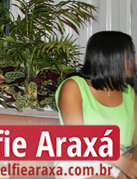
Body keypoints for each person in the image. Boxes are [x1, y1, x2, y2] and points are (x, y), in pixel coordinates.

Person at [55, 31, 137, 179]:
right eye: (131, 55)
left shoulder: (130, 94)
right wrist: (122, 163)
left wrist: (131, 168)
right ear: (112, 57)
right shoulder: (73, 87)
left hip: (122, 160)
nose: (135, 60)